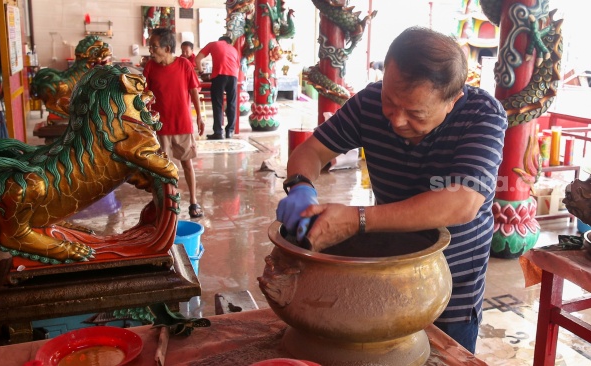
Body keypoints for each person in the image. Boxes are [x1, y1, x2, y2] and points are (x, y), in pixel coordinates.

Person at [276, 26, 508, 354]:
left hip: (450, 281)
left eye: (415, 113)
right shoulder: (370, 102)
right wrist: (300, 186)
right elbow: (311, 152)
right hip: (387, 270)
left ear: (453, 101)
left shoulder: (481, 115)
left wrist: (356, 220)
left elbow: (462, 203)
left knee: (445, 354)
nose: (395, 119)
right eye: (390, 100)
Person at [143, 28, 205, 218]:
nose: (151, 51)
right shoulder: (150, 67)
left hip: (182, 124)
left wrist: (200, 116)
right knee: (163, 168)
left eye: (154, 47)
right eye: (150, 46)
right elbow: (144, 95)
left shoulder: (184, 65)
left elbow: (194, 90)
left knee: (187, 164)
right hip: (160, 127)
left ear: (167, 48)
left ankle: (193, 202)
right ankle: (166, 204)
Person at [195, 36, 239, 140]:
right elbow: (237, 66)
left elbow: (197, 59)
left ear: (220, 40)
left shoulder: (213, 44)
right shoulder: (233, 49)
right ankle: (230, 131)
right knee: (232, 103)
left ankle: (218, 132)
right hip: (233, 76)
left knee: (218, 104)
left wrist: (201, 73)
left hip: (219, 76)